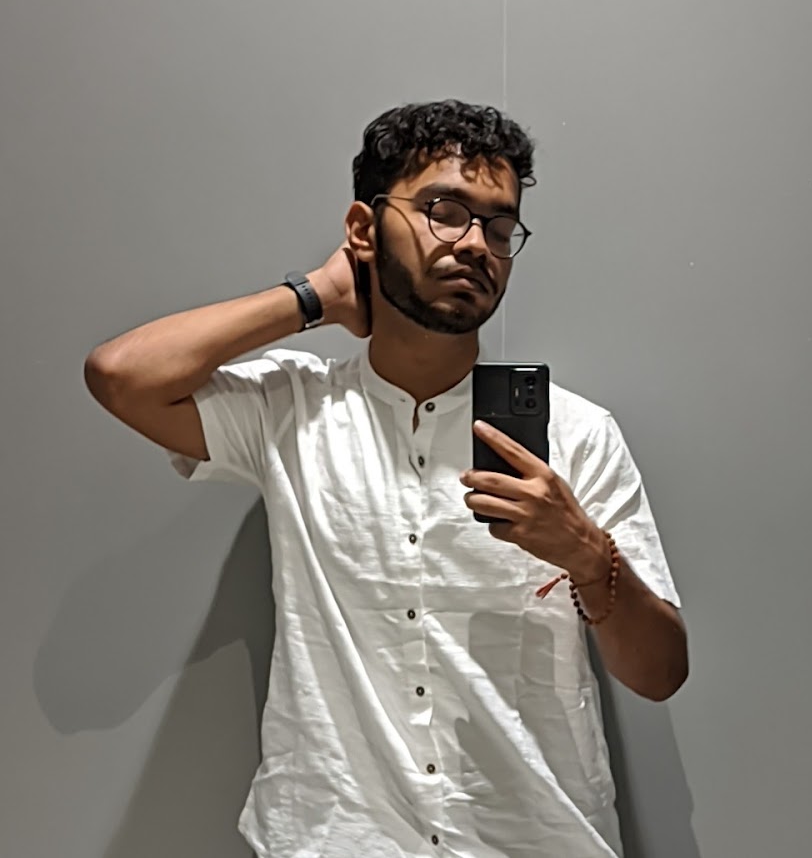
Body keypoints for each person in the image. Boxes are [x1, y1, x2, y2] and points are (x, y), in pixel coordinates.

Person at [85, 99, 687, 858]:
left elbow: (660, 673)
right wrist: (317, 297)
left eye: (500, 227)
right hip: (337, 838)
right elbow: (122, 376)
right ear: (364, 229)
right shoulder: (291, 411)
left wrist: (587, 556)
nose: (477, 244)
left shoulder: (577, 436)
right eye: (445, 212)